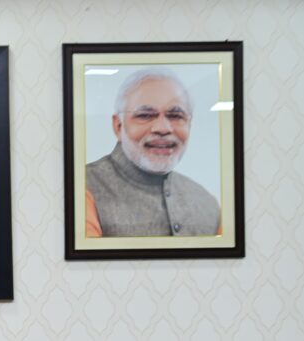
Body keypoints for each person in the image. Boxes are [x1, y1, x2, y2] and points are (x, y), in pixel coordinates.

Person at [85, 68, 220, 238]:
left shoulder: (208, 204)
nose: (163, 128)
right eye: (145, 115)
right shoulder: (82, 188)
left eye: (175, 116)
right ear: (118, 126)